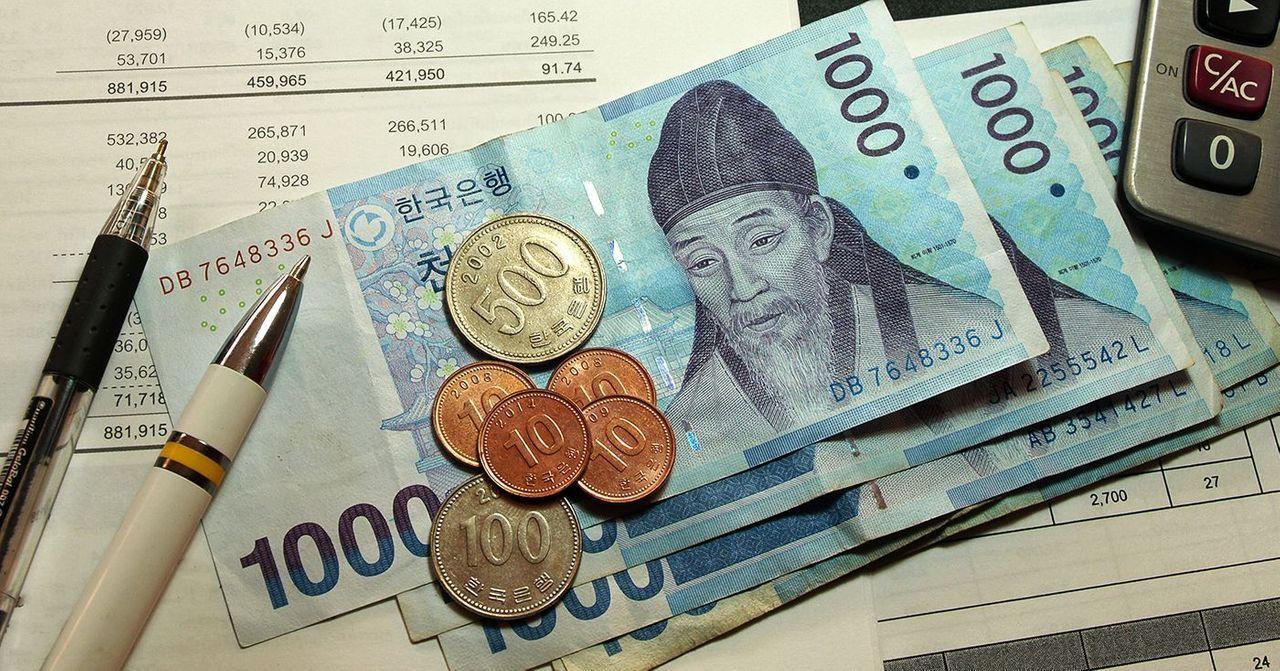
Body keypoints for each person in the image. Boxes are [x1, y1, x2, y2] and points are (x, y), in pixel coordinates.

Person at [647, 79, 1011, 439]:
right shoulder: (684, 428)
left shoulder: (972, 328)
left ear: (818, 228)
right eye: (704, 262)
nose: (742, 289)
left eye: (762, 240)